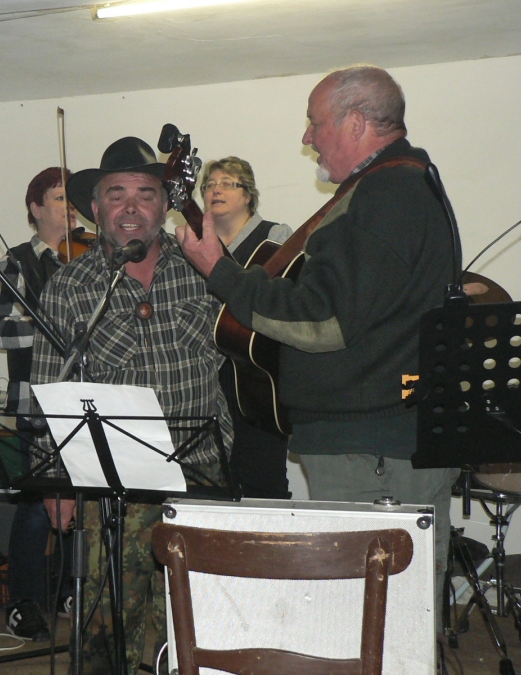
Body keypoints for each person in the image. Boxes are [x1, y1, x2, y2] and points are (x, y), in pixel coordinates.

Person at [177, 66, 461, 626]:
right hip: (376, 445)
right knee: (385, 620)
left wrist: (220, 272)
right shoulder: (391, 188)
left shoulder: (384, 195)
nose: (307, 138)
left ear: (355, 123)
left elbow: (325, 319)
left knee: (372, 622)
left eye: (314, 123)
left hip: (372, 452)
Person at [31, 137, 233, 674]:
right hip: (110, 486)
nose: (130, 207)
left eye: (145, 194)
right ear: (95, 209)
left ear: (165, 205)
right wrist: (55, 483)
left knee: (196, 626)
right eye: (115, 194)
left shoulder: (208, 271)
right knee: (104, 629)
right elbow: (51, 386)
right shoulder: (68, 287)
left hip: (200, 475)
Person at [0, 166, 78, 641]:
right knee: (37, 504)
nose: (70, 209)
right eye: (60, 199)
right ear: (36, 208)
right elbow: (1, 329)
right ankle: (21, 601)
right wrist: (54, 328)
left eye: (73, 200)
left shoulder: (90, 259)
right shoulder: (18, 260)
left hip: (85, 400)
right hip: (37, 402)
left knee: (85, 501)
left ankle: (67, 589)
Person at [201, 156, 292, 499]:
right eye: (210, 184)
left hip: (258, 378)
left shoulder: (275, 237)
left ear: (248, 195)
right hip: (208, 377)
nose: (216, 190)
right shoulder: (195, 245)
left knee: (262, 479)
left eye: (228, 183)